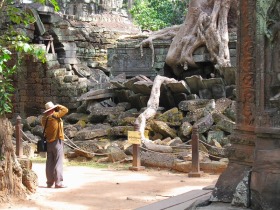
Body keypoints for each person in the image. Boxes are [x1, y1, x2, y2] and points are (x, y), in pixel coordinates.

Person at [41, 101, 68, 188]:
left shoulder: (44, 119)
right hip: (57, 141)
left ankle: (49, 182)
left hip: (49, 142)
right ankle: (58, 182)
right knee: (58, 162)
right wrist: (58, 106)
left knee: (49, 162)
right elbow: (65, 110)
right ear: (52, 109)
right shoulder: (55, 116)